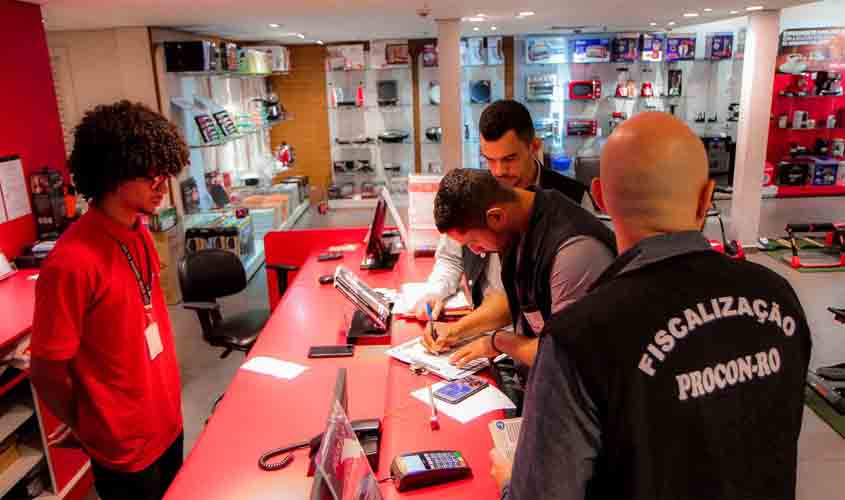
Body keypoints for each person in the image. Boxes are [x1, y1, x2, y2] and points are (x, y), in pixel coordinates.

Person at [492, 112, 812, 500]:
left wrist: (510, 479)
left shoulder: (579, 337)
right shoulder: (779, 297)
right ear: (706, 197)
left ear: (601, 195)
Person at [31, 101, 189, 500]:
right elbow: (47, 369)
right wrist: (88, 423)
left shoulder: (137, 231)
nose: (163, 187)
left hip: (167, 421)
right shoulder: (71, 263)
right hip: (124, 449)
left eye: (165, 175)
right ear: (114, 172)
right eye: (152, 176)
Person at [415, 100, 590, 353]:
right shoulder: (477, 191)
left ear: (534, 147)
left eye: (509, 159)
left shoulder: (574, 201)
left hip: (535, 345)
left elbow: (564, 334)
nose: (499, 172)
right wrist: (435, 293)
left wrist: (477, 334)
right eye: (490, 160)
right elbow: (452, 258)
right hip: (481, 332)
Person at [432, 169, 616, 368]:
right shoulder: (519, 222)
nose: (476, 251)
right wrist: (456, 330)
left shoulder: (575, 252)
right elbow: (514, 301)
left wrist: (498, 342)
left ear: (495, 217)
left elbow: (564, 356)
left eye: (473, 241)